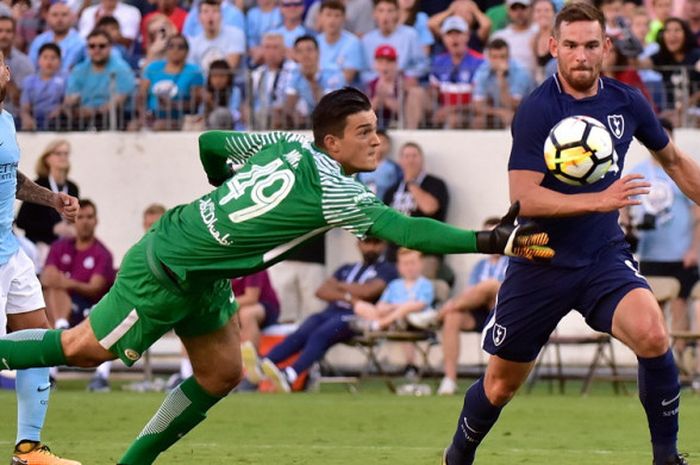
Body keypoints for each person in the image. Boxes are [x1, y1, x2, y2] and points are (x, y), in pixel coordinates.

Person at [0, 87, 551, 465]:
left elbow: (212, 145)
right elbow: (407, 231)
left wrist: (223, 196)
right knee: (81, 348)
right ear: (332, 143)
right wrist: (488, 240)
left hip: (205, 273)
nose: (376, 142)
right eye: (364, 133)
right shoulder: (338, 189)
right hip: (167, 268)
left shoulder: (288, 145)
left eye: (376, 130)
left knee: (219, 373)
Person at [441, 4, 700, 465]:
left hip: (602, 256)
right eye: (572, 46)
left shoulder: (628, 101)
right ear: (553, 47)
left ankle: (667, 458)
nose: (581, 56)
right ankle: (458, 455)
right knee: (500, 385)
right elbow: (524, 198)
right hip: (539, 258)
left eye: (591, 45)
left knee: (653, 335)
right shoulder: (538, 110)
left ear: (605, 47)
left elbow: (675, 163)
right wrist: (599, 201)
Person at [0, 48, 81, 465]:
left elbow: (10, 177)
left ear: (7, 72)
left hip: (9, 252)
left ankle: (28, 449)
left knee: (39, 342)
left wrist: (51, 199)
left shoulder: (6, 121)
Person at [241, 236, 397, 392]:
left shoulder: (387, 270)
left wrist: (338, 286)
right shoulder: (346, 268)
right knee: (303, 330)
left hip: (357, 317)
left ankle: (291, 374)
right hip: (332, 311)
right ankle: (264, 363)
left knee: (321, 334)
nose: (370, 247)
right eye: (366, 242)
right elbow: (321, 291)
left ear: (384, 245)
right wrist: (350, 295)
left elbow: (368, 291)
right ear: (358, 244)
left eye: (375, 243)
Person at [624, 118, 700, 381]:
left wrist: (694, 249)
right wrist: (628, 224)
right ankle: (657, 365)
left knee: (680, 309)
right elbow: (625, 209)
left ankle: (681, 366)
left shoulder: (681, 169)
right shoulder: (638, 171)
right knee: (651, 313)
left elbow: (697, 213)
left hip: (680, 254)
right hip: (651, 252)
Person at [408, 217, 508, 396]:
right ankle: (449, 379)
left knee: (490, 285)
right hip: (480, 312)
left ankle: (435, 316)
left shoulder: (513, 260)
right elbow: (471, 293)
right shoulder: (479, 266)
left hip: (503, 311)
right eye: (490, 235)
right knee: (453, 316)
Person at [41, 199, 115, 331]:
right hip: (56, 300)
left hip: (85, 306)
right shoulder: (59, 247)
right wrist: (62, 282)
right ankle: (61, 326)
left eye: (89, 217)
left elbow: (95, 288)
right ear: (73, 221)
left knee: (54, 290)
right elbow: (47, 278)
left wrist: (68, 283)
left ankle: (58, 333)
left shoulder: (103, 254)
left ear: (96, 221)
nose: (85, 222)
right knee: (51, 290)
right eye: (80, 217)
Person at [15, 139, 80, 256]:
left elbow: (73, 217)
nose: (63, 157)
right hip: (39, 245)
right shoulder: (38, 186)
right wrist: (52, 229)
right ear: (47, 158)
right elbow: (21, 221)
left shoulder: (72, 187)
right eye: (59, 153)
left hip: (64, 245)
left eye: (66, 153)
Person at [62, 30, 136, 130]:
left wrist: (95, 111)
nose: (97, 50)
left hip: (113, 114)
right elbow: (70, 97)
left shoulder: (122, 69)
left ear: (110, 47)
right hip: (84, 114)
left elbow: (119, 100)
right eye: (92, 46)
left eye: (102, 46)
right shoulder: (79, 69)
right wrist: (73, 106)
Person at [352, 247, 433, 332]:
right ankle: (386, 324)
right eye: (405, 264)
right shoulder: (394, 284)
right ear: (398, 266)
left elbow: (420, 305)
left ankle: (380, 324)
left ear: (421, 263)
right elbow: (380, 306)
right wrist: (395, 307)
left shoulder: (425, 284)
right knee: (359, 306)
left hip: (412, 319)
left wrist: (400, 308)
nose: (409, 267)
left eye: (412, 263)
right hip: (391, 315)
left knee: (408, 307)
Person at [138, 34, 204, 130]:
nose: (175, 50)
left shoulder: (194, 72)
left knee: (159, 126)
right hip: (152, 117)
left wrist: (172, 105)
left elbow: (195, 103)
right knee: (133, 126)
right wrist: (143, 116)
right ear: (166, 50)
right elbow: (141, 96)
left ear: (187, 51)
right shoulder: (153, 68)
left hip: (180, 119)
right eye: (171, 46)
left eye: (180, 47)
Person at [429, 15, 485, 129]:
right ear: (443, 38)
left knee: (455, 119)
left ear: (467, 36)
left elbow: (481, 101)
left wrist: (452, 109)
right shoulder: (438, 61)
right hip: (443, 110)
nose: (454, 38)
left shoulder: (480, 61)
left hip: (469, 111)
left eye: (458, 33)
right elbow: (433, 93)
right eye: (449, 34)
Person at [283, 35, 345, 128]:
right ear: (295, 55)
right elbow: (289, 107)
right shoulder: (294, 74)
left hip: (335, 122)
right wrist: (293, 114)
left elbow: (329, 108)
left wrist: (312, 81)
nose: (305, 55)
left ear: (318, 52)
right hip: (308, 123)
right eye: (300, 51)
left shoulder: (333, 73)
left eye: (309, 50)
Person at [472, 38, 535, 129]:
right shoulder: (482, 71)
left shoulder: (521, 73)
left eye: (502, 57)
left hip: (525, 112)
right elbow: (478, 105)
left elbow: (512, 105)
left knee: (511, 117)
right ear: (489, 58)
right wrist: (498, 112)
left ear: (509, 56)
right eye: (494, 57)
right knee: (478, 121)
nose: (499, 61)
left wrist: (501, 78)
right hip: (498, 111)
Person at [361, 0, 428, 83]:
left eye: (390, 11)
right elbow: (363, 72)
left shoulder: (410, 34)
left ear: (397, 13)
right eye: (381, 11)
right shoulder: (366, 39)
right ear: (374, 14)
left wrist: (405, 76)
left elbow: (423, 65)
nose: (385, 15)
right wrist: (378, 79)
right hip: (375, 86)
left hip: (403, 82)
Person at [248, 32, 293, 130]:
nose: (271, 52)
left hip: (284, 116)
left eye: (275, 47)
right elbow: (250, 100)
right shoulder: (257, 73)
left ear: (284, 50)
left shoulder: (293, 70)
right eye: (267, 47)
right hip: (259, 117)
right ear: (262, 50)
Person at [187, 0, 246, 74]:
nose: (210, 16)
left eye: (215, 11)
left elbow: (229, 69)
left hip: (232, 83)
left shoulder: (236, 34)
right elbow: (192, 72)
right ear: (199, 18)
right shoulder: (193, 43)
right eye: (205, 11)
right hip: (202, 84)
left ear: (221, 16)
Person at [316, 0, 365, 85]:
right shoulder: (315, 42)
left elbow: (348, 77)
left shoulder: (353, 42)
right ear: (320, 17)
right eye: (328, 15)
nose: (332, 20)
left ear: (344, 18)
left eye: (337, 15)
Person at [20, 43, 67, 131]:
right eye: (45, 57)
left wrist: (61, 109)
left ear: (60, 61)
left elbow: (67, 100)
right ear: (39, 60)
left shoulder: (64, 80)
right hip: (35, 118)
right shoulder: (29, 81)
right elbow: (25, 106)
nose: (49, 62)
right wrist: (26, 117)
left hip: (56, 120)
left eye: (53, 58)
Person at [28, 1, 86, 72]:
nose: (59, 19)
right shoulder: (39, 41)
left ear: (72, 18)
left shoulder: (81, 43)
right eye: (55, 15)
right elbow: (31, 67)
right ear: (48, 18)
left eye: (64, 15)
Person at [491, 0, 538, 77]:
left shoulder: (538, 32)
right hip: (506, 82)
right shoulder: (498, 36)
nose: (519, 12)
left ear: (530, 9)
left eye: (523, 7)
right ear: (508, 10)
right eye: (514, 8)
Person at [357, 128, 402, 201]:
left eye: (383, 143)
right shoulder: (361, 166)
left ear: (388, 146)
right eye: (376, 143)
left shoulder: (394, 168)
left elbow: (400, 188)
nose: (379, 147)